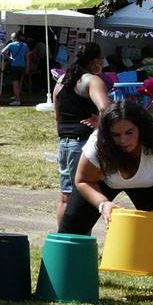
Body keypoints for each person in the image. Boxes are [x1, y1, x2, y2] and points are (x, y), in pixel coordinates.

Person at [59, 101, 153, 295]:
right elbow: (82, 180)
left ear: (141, 128)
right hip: (103, 182)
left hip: (149, 183)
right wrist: (102, 204)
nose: (123, 140)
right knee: (73, 222)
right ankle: (62, 275)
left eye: (129, 132)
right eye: (116, 135)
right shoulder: (97, 147)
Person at [53, 42, 112, 225]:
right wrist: (98, 126)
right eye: (102, 58)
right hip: (83, 144)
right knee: (82, 199)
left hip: (65, 144)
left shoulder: (62, 81)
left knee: (66, 197)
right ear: (95, 61)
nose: (103, 62)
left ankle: (62, 242)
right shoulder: (92, 80)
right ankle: (78, 241)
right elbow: (106, 108)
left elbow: (58, 117)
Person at [1, 31, 30, 105]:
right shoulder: (25, 45)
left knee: (15, 83)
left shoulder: (11, 44)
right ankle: (16, 96)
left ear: (13, 38)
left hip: (14, 65)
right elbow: (27, 58)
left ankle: (17, 100)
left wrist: (9, 58)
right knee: (20, 82)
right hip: (22, 66)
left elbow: (3, 52)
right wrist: (27, 68)